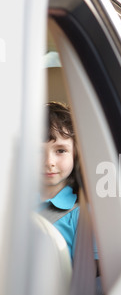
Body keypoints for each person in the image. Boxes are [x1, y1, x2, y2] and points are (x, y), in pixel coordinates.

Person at [38, 101, 80, 261]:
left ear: (75, 153)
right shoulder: (12, 204)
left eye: (61, 150)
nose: (49, 161)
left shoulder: (81, 216)